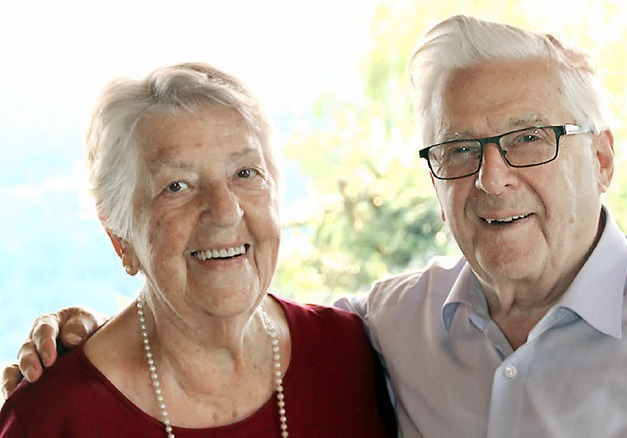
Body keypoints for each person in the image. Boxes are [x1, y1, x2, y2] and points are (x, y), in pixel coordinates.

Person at [4, 14, 627, 437]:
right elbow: (205, 309)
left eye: (531, 139)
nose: (492, 179)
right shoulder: (383, 329)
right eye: (460, 149)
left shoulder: (351, 345)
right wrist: (78, 338)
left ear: (604, 157)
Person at [0, 62, 396, 437]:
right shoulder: (51, 415)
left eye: (245, 173)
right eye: (177, 186)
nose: (225, 211)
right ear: (118, 235)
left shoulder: (346, 350)